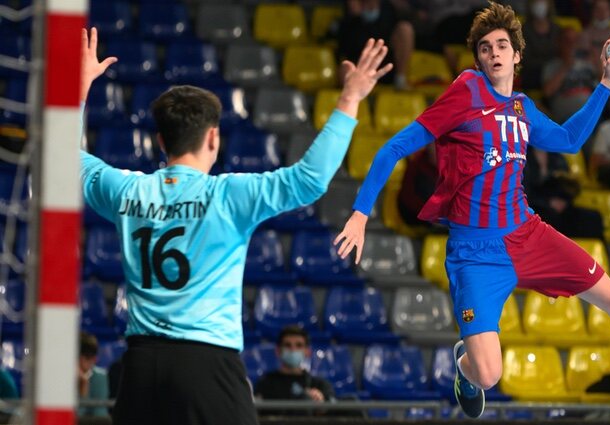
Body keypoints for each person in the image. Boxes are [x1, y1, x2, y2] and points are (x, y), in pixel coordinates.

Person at [333, 3, 610, 419]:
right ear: (478, 58)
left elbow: (568, 140)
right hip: (476, 252)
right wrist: (361, 214)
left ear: (517, 55)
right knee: (489, 374)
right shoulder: (466, 91)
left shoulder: (522, 107)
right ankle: (465, 367)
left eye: (502, 45)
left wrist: (606, 83)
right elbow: (393, 148)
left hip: (528, 233)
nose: (494, 53)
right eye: (485, 47)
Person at [78, 27, 392, 425]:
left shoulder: (127, 191)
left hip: (140, 367)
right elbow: (309, 180)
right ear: (213, 138)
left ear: (160, 141)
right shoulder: (228, 195)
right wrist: (350, 98)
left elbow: (68, 160)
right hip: (205, 362)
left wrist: (80, 89)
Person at [524, 146, 605, 240]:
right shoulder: (522, 159)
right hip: (534, 205)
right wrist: (547, 203)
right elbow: (523, 191)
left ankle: (594, 252)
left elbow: (568, 186)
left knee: (592, 217)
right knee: (550, 218)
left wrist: (564, 202)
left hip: (561, 203)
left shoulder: (557, 158)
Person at [255, 326, 335, 413]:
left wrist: (320, 405)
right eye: (287, 345)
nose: (293, 350)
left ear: (307, 351)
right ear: (278, 351)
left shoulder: (320, 385)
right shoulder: (265, 385)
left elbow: (332, 410)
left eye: (299, 345)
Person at [336, 0, 413, 90]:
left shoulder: (389, 9)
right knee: (344, 70)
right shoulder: (350, 15)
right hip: (359, 65)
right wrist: (355, 18)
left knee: (405, 29)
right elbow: (344, 48)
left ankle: (400, 80)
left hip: (386, 65)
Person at [542, 27, 599, 122]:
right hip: (565, 113)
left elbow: (602, 86)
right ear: (559, 43)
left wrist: (598, 60)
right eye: (567, 41)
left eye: (574, 41)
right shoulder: (552, 66)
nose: (571, 45)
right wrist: (566, 66)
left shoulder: (588, 64)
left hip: (590, 113)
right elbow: (547, 92)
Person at [520, 0, 560, 90]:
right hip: (533, 73)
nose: (540, 4)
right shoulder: (524, 30)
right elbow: (525, 59)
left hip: (554, 71)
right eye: (536, 2)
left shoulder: (556, 29)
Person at [77, 332, 109, 418]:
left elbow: (100, 418)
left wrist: (84, 386)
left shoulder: (99, 377)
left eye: (88, 358)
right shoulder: (60, 378)